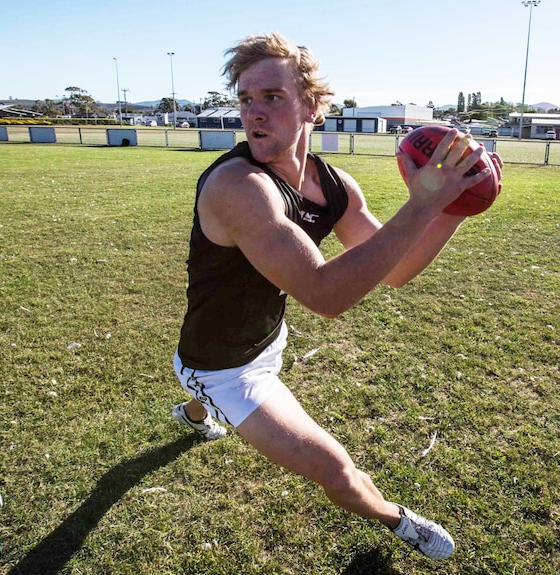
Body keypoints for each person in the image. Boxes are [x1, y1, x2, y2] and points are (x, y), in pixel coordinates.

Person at [171, 32, 502, 561]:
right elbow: (325, 296)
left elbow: (395, 271)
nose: (254, 113)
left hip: (264, 337)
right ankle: (398, 520)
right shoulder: (238, 186)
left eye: (272, 98)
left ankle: (192, 414)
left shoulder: (334, 185)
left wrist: (451, 207)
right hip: (220, 367)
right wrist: (420, 206)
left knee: (227, 385)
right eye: (246, 99)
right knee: (333, 468)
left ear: (314, 107)